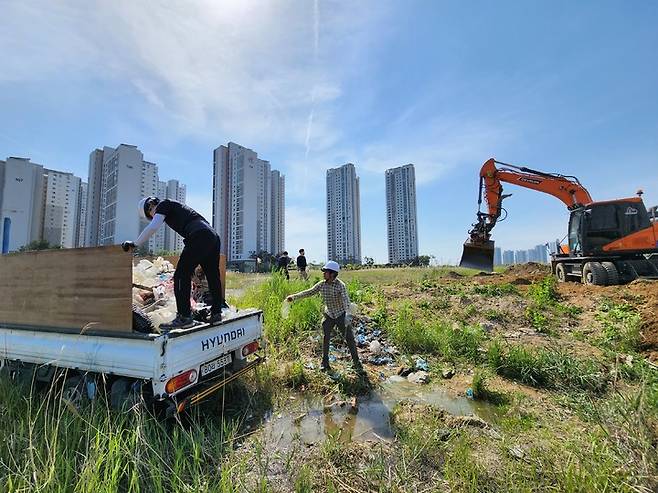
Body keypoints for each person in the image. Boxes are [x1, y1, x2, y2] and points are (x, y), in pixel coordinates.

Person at [122, 196, 224, 331]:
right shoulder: (178, 208)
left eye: (150, 215)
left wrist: (135, 243)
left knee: (181, 276)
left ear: (150, 207)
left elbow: (153, 227)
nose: (153, 217)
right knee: (212, 276)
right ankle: (216, 313)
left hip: (198, 235)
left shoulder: (164, 204)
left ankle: (184, 317)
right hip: (212, 237)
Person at [286, 261, 362, 372]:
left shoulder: (341, 286)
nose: (323, 274)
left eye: (325, 272)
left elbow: (346, 301)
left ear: (332, 274)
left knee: (349, 338)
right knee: (326, 338)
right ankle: (325, 363)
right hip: (329, 315)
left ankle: (356, 362)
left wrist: (348, 316)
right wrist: (293, 297)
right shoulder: (322, 284)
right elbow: (309, 292)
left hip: (341, 315)